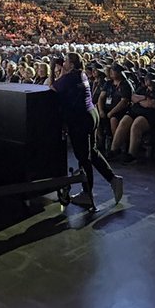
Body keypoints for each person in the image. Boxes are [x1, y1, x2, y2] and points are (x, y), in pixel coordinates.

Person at [51, 52, 123, 210]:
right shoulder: (80, 75)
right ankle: (113, 179)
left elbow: (52, 88)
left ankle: (87, 194)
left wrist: (52, 69)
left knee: (83, 157)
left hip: (79, 120)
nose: (63, 64)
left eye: (66, 62)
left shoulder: (69, 78)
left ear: (71, 64)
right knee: (92, 152)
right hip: (91, 114)